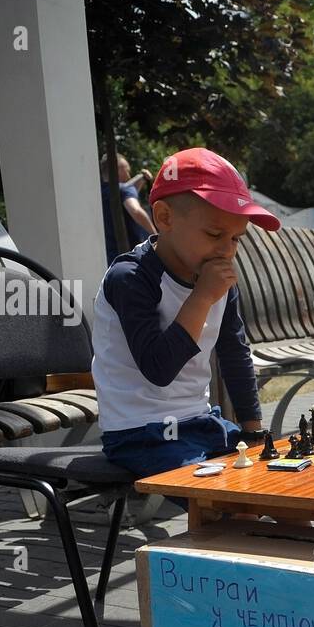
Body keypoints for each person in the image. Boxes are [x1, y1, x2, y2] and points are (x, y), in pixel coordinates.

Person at [93, 147, 273, 483]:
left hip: (199, 424)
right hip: (140, 434)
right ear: (164, 217)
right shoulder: (131, 278)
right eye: (215, 234)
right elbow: (158, 369)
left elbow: (235, 354)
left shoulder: (218, 281)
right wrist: (202, 296)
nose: (226, 250)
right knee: (222, 499)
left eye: (236, 239)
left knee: (273, 482)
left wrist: (254, 432)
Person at [101, 153, 156, 262]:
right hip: (130, 255)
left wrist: (141, 179)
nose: (129, 175)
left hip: (107, 257)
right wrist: (155, 235)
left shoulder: (99, 193)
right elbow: (135, 211)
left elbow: (124, 195)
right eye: (127, 170)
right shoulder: (124, 190)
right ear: (118, 170)